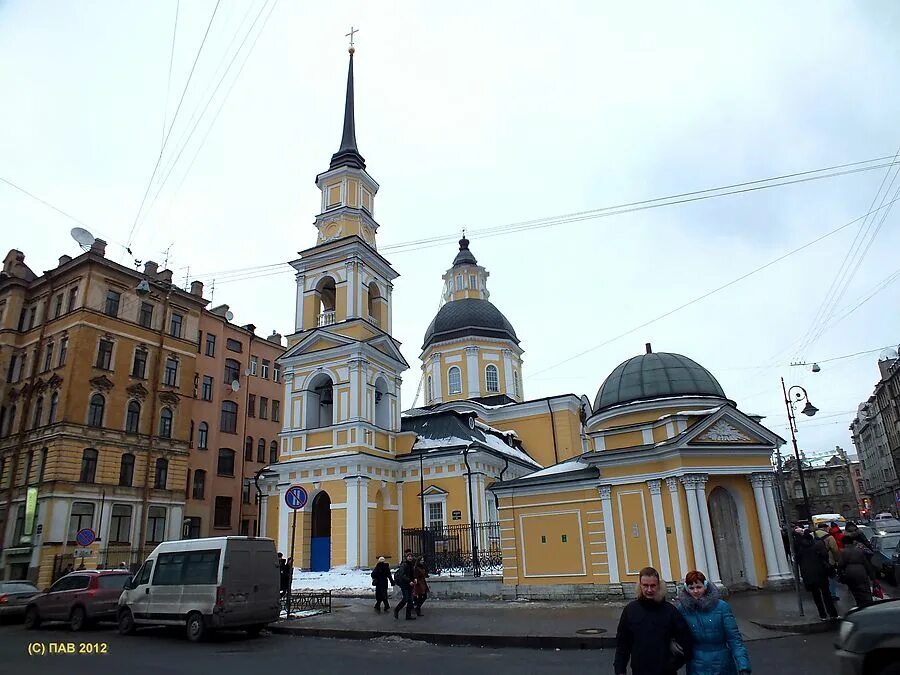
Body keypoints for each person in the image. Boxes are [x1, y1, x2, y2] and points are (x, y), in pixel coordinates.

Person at [614, 566, 694, 675]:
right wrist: (620, 671)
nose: (649, 590)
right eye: (645, 585)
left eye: (653, 585)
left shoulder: (670, 611)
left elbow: (686, 641)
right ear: (640, 585)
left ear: (659, 586)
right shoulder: (630, 610)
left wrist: (673, 665)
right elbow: (622, 645)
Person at [676, 570, 751, 675]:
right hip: (696, 665)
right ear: (686, 589)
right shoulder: (683, 609)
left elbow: (734, 638)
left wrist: (743, 665)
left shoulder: (721, 607)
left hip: (722, 663)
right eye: (691, 588)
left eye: (699, 587)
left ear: (705, 586)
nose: (695, 591)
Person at [795, 531, 839, 621]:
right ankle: (833, 614)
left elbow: (797, 561)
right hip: (821, 573)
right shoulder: (817, 546)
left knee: (816, 596)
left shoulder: (800, 550)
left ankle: (822, 615)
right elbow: (825, 557)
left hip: (808, 576)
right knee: (826, 594)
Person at [838, 530, 876, 609]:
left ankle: (860, 605)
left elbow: (840, 564)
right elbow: (866, 564)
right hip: (861, 571)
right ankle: (869, 604)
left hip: (849, 572)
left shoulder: (844, 552)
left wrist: (840, 574)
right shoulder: (859, 550)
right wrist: (872, 576)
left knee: (855, 589)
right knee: (865, 589)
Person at [814, 523, 840, 601]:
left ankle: (824, 593)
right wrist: (837, 560)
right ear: (825, 528)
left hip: (816, 561)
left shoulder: (811, 535)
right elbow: (835, 550)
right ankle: (832, 594)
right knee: (831, 577)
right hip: (829, 560)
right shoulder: (829, 537)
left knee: (821, 577)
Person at [393, 549, 417, 621]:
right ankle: (396, 610)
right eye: (409, 556)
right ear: (406, 557)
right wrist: (409, 581)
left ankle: (408, 616)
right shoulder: (404, 564)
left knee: (410, 600)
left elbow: (412, 573)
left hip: (410, 584)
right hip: (404, 584)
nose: (410, 558)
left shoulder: (411, 564)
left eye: (411, 556)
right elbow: (402, 575)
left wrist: (414, 578)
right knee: (405, 599)